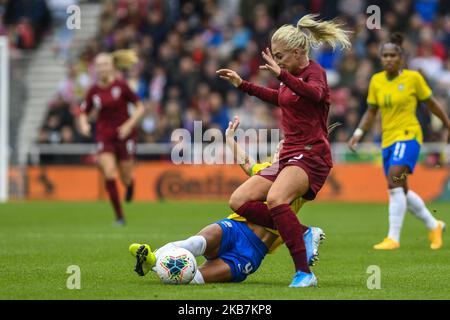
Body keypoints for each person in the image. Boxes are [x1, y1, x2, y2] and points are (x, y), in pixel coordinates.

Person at [216, 14, 350, 287]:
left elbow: (314, 94)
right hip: (289, 152)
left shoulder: (315, 73)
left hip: (312, 154)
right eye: (274, 57)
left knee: (277, 198)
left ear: (298, 52)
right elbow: (278, 98)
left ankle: (304, 274)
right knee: (239, 200)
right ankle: (302, 233)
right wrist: (243, 85)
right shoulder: (287, 78)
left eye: (280, 56)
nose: (276, 61)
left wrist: (283, 75)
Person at [129, 116, 325, 284]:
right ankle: (152, 258)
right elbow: (246, 162)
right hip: (235, 227)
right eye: (279, 149)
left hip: (251, 252)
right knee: (198, 241)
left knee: (195, 279)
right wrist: (229, 138)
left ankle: (158, 265)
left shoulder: (296, 180)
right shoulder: (266, 172)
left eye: (285, 150)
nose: (280, 152)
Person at [348, 33, 448, 250]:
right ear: (380, 58)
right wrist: (358, 132)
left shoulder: (413, 79)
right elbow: (371, 111)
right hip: (388, 139)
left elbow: (431, 104)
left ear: (401, 57)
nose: (389, 59)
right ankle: (434, 225)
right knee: (400, 188)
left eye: (393, 55)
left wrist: (447, 124)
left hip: (409, 136)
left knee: (394, 180)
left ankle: (393, 238)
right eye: (385, 55)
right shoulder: (376, 81)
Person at [78, 50, 145, 226]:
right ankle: (119, 216)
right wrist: (84, 124)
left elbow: (140, 107)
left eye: (105, 64)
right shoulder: (93, 90)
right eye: (98, 65)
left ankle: (130, 185)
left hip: (125, 135)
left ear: (112, 66)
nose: (102, 68)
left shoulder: (122, 86)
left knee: (126, 177)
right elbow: (83, 112)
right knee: (108, 172)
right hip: (104, 136)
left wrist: (128, 125)